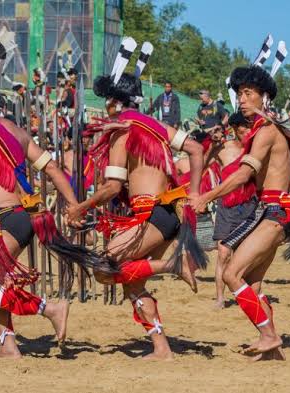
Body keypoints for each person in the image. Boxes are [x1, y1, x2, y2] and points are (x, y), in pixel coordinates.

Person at [0, 77, 113, 358]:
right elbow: (54, 168)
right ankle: (8, 345)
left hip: (4, 220)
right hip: (23, 217)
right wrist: (73, 206)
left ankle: (51, 309)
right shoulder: (19, 133)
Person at [75, 46, 206, 359]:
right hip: (167, 214)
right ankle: (162, 348)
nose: (104, 108)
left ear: (113, 102)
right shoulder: (158, 127)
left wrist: (80, 208)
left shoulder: (122, 131)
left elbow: (111, 187)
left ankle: (173, 265)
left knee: (104, 267)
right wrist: (196, 192)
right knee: (133, 283)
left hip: (151, 215)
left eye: (106, 102)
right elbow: (197, 150)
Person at [191, 64, 290, 361]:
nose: (242, 99)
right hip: (271, 212)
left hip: (274, 213)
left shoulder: (266, 131)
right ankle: (273, 351)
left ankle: (269, 335)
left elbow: (242, 175)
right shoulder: (264, 130)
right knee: (254, 283)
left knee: (233, 273)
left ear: (264, 97)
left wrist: (206, 196)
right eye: (239, 94)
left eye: (248, 93)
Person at [211, 111, 257, 309]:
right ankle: (220, 297)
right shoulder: (224, 148)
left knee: (245, 254)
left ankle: (244, 293)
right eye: (244, 128)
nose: (247, 131)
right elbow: (201, 153)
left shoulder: (258, 149)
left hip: (250, 205)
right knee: (223, 253)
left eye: (249, 127)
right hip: (227, 206)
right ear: (236, 129)